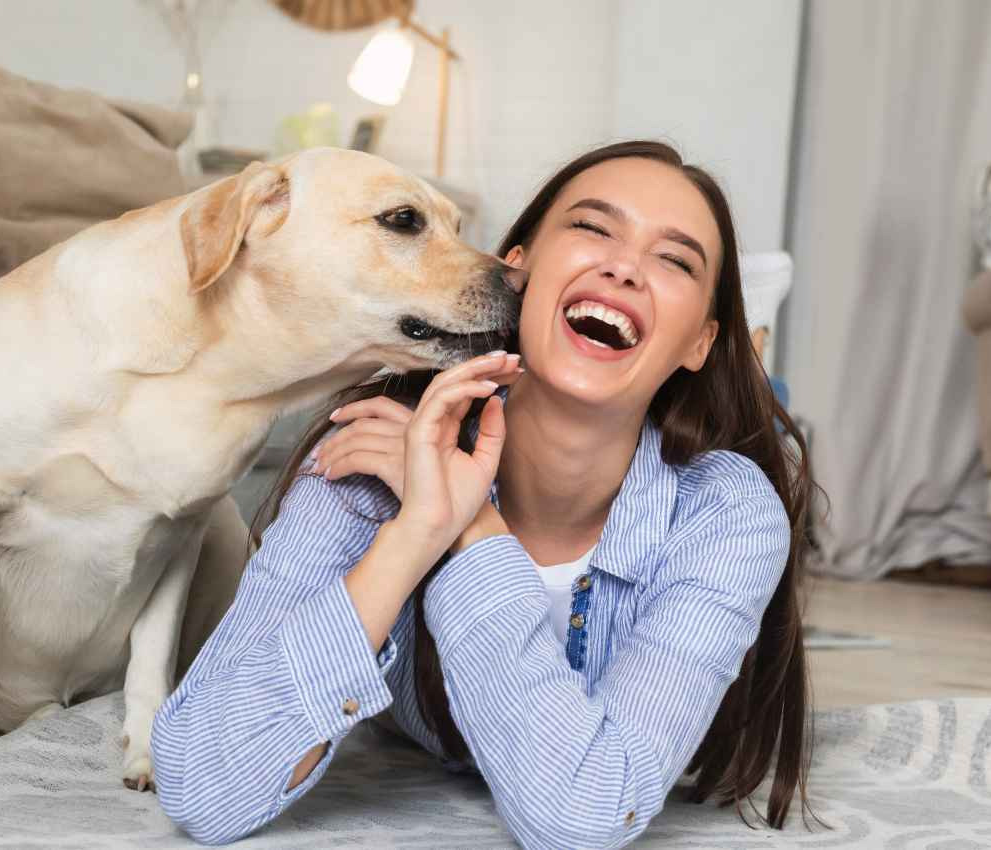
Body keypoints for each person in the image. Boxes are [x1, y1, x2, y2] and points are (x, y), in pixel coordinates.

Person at [150, 140, 817, 848]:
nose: (625, 266)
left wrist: (469, 527)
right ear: (516, 271)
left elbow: (580, 819)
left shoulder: (727, 512)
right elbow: (202, 783)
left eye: (676, 260)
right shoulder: (376, 447)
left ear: (700, 343)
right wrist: (414, 531)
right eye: (594, 228)